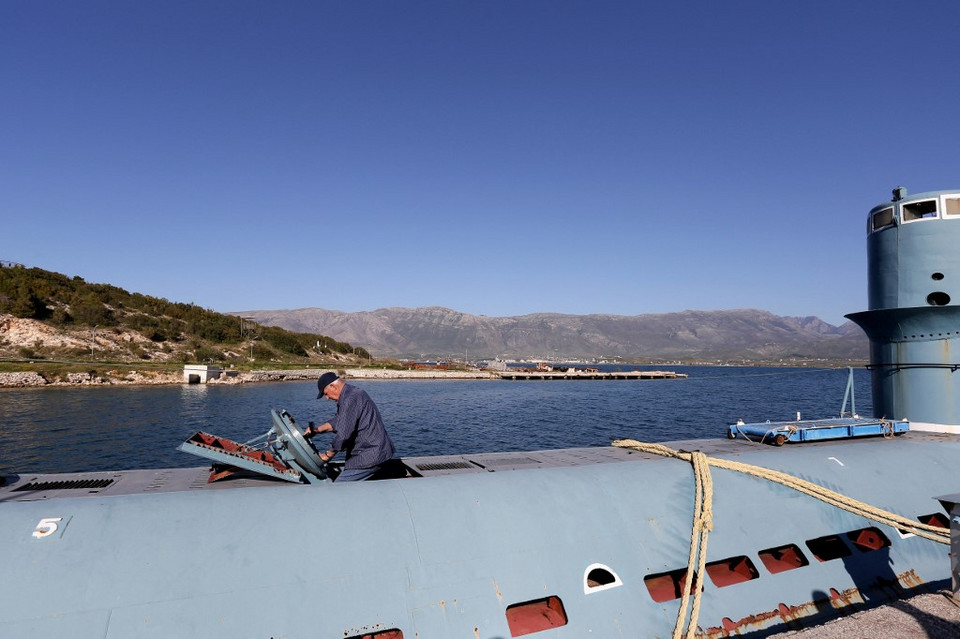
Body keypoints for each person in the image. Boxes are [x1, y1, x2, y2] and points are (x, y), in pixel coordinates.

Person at [303, 372, 396, 482]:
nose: (327, 398)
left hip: (370, 455)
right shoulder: (351, 393)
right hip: (377, 451)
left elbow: (343, 434)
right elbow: (339, 420)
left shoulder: (350, 399)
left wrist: (327, 455)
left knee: (338, 489)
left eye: (326, 394)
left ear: (333, 387)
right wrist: (317, 430)